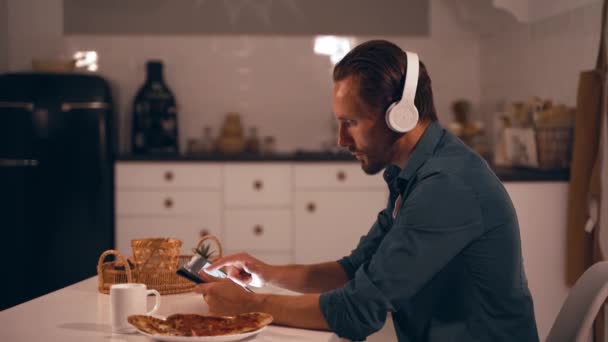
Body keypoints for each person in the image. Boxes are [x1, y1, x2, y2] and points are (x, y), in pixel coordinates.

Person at [195, 40, 539, 342]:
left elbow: (357, 311)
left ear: (400, 116)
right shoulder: (414, 173)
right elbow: (356, 268)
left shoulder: (447, 186)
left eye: (352, 123)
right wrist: (266, 274)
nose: (341, 140)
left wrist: (252, 306)